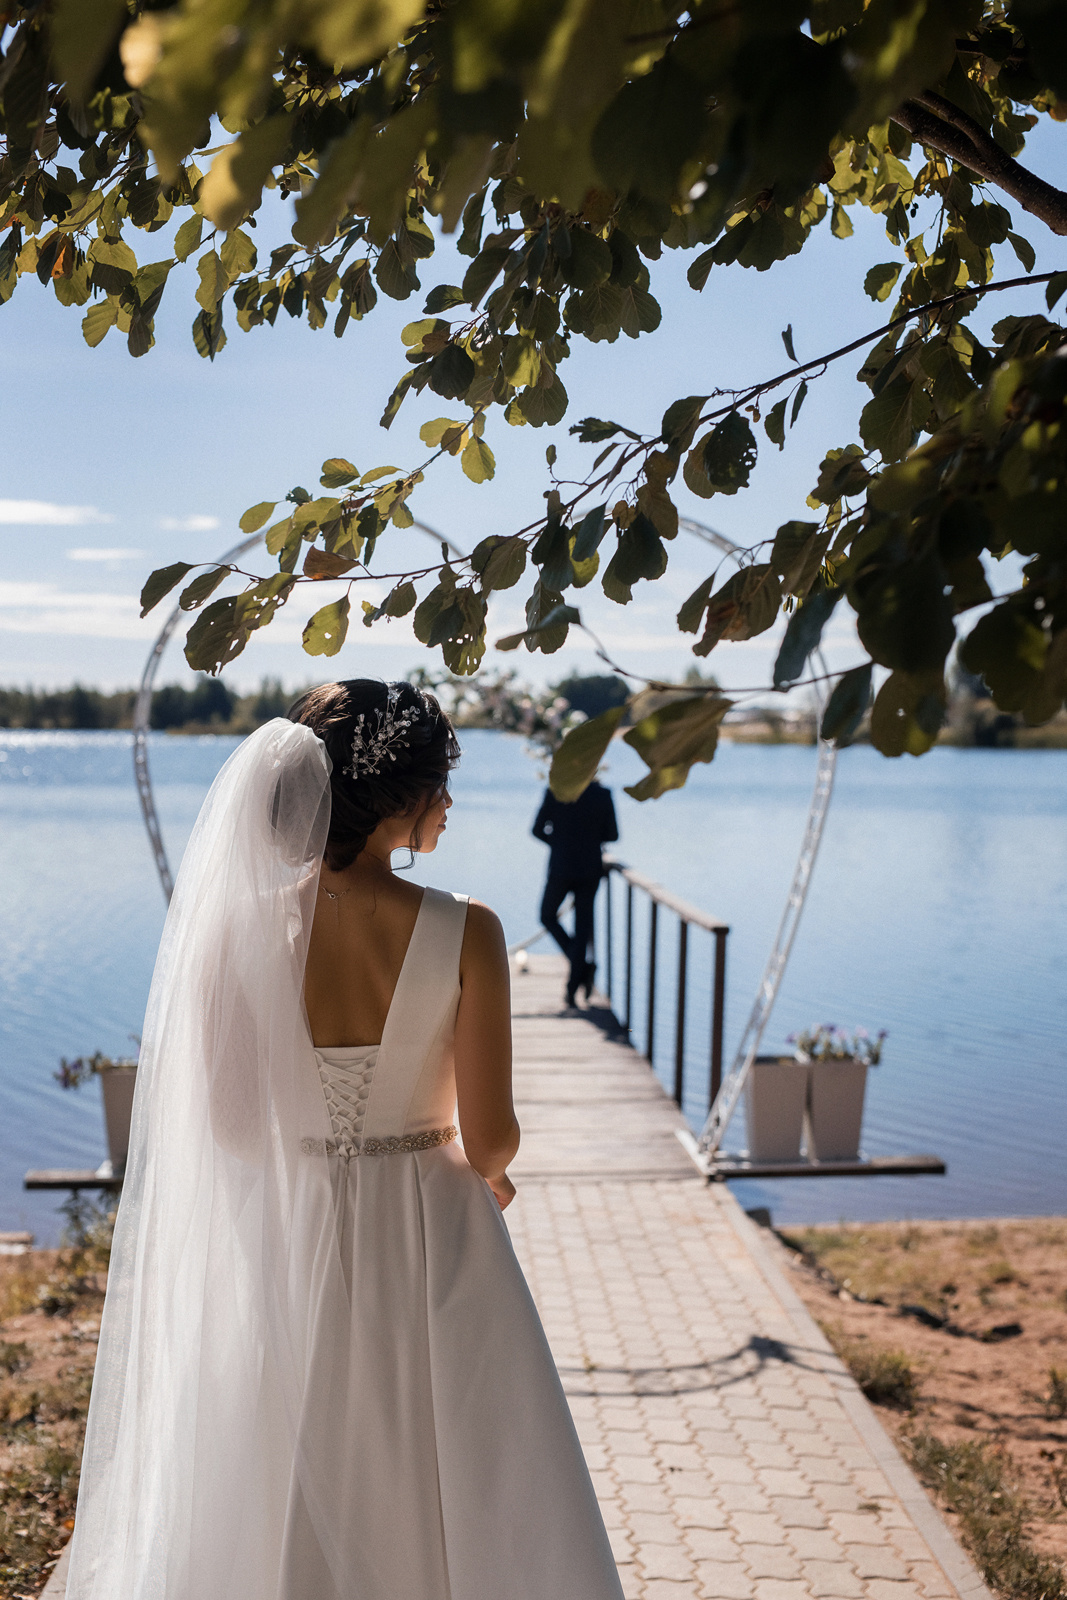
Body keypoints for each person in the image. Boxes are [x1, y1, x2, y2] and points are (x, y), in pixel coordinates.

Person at [65, 680, 623, 1600]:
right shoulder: (469, 930)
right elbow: (489, 1143)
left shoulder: (235, 931)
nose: (450, 801)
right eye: (441, 780)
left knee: (278, 1454)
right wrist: (466, 1155)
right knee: (458, 1472)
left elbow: (237, 1132)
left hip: (290, 1240)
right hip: (436, 1244)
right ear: (395, 797)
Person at [532, 778, 618, 1006]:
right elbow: (612, 834)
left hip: (561, 867)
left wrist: (559, 842)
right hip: (590, 869)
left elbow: (537, 829)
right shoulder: (603, 794)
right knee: (582, 929)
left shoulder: (556, 791)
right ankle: (576, 980)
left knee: (547, 916)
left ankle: (579, 973)